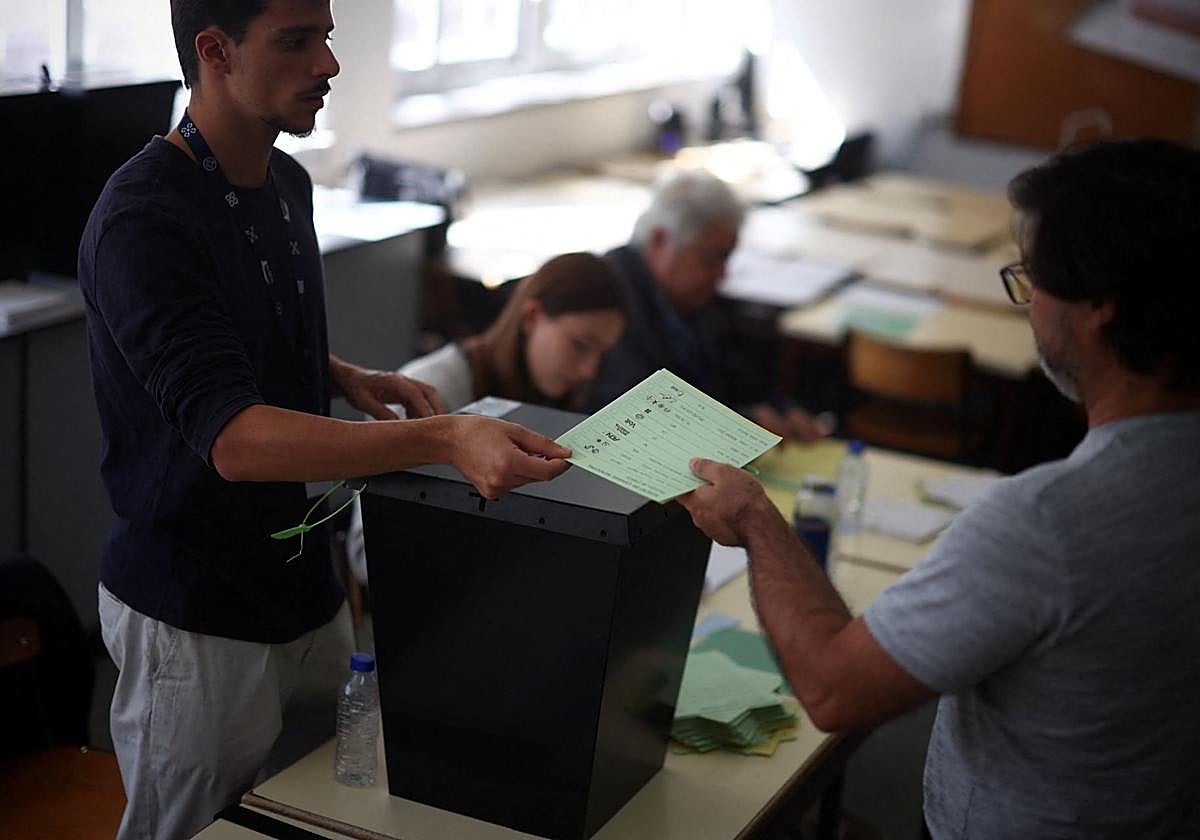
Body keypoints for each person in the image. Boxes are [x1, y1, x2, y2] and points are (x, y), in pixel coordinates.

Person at [78, 2, 570, 837]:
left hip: (305, 592)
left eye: (328, 36)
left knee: (316, 819)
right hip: (197, 615)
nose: (331, 65)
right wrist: (447, 435)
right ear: (215, 52)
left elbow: (233, 336)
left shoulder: (286, 182)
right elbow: (235, 440)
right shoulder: (145, 219)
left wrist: (337, 374)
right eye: (298, 41)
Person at [677, 139, 1200, 838]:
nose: (1028, 307)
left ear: (1099, 305)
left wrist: (755, 517)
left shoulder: (1047, 523)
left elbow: (833, 688)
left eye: (1032, 279)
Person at [346, 251, 629, 580]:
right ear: (532, 317)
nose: (588, 370)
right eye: (580, 345)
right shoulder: (426, 391)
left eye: (601, 354)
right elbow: (367, 554)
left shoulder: (561, 397)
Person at [586, 170, 826, 441]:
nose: (721, 274)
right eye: (711, 258)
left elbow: (734, 374)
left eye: (727, 259)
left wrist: (779, 407)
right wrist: (741, 423)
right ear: (659, 240)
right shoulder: (608, 299)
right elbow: (638, 412)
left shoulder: (691, 296)